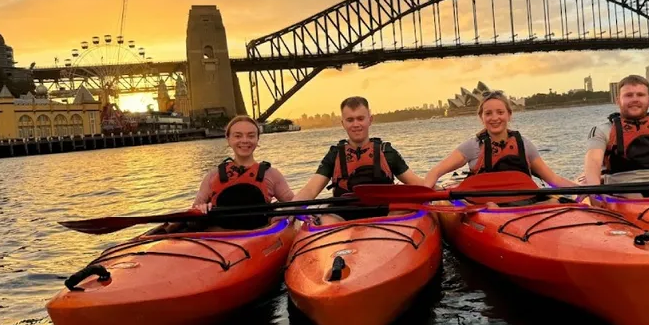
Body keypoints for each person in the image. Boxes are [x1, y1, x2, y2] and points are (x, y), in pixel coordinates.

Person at [293, 96, 424, 222]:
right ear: (343, 123)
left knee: (403, 209)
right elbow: (311, 190)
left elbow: (416, 184)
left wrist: (435, 185)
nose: (356, 124)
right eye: (350, 120)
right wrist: (289, 209)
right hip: (343, 216)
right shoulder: (334, 155)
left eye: (360, 118)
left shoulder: (387, 152)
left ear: (370, 120)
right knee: (326, 219)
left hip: (384, 214)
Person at [423, 90, 576, 194]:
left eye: (500, 112)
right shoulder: (472, 146)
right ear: (481, 117)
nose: (494, 118)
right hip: (487, 208)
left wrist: (584, 190)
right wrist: (427, 191)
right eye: (488, 113)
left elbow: (553, 179)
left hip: (524, 204)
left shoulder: (524, 145)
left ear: (509, 115)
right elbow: (436, 172)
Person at [166, 115, 294, 232]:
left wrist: (285, 215)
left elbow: (294, 204)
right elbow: (196, 208)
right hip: (219, 237)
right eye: (238, 136)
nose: (245, 140)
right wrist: (202, 208)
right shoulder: (212, 176)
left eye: (251, 136)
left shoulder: (271, 174)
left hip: (258, 235)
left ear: (257, 139)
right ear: (228, 139)